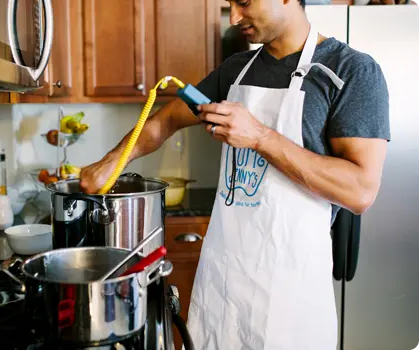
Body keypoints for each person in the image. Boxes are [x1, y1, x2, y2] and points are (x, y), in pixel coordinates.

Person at [79, 0, 390, 348]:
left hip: (290, 296)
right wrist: (111, 163)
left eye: (243, 2)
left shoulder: (351, 71)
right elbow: (166, 120)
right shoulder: (236, 70)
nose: (235, 17)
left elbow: (360, 191)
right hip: (224, 285)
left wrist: (259, 137)